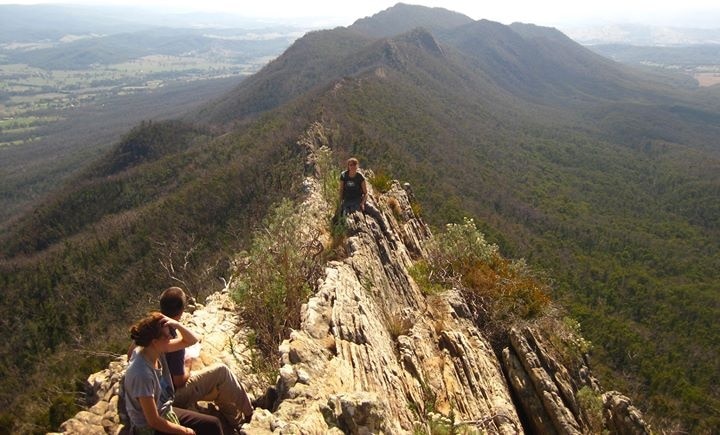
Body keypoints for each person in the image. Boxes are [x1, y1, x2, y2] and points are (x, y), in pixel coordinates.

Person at [160, 287, 254, 430]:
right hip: (171, 395)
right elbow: (179, 381)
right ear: (181, 311)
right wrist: (188, 362)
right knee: (221, 373)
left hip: (155, 391)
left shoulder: (151, 328)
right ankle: (249, 414)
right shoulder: (172, 338)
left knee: (217, 384)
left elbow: (131, 354)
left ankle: (234, 421)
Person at [124, 312, 224, 435]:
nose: (171, 337)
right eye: (167, 335)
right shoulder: (142, 374)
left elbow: (192, 340)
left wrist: (176, 324)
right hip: (150, 428)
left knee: (213, 424)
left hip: (164, 409)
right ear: (155, 341)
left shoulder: (154, 350)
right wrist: (185, 431)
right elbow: (153, 421)